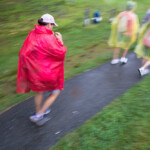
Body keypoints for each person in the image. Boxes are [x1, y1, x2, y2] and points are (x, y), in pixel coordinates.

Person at [16, 14, 67, 126]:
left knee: (39, 91)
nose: (53, 27)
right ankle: (40, 114)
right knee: (56, 91)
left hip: (35, 71)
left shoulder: (32, 33)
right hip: (47, 72)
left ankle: (38, 111)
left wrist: (29, 66)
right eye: (52, 24)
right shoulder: (49, 38)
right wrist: (60, 41)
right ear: (48, 24)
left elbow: (24, 53)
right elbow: (61, 53)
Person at [135, 10, 150, 76]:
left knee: (145, 56)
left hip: (145, 40)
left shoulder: (148, 23)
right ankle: (143, 68)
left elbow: (143, 29)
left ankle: (143, 70)